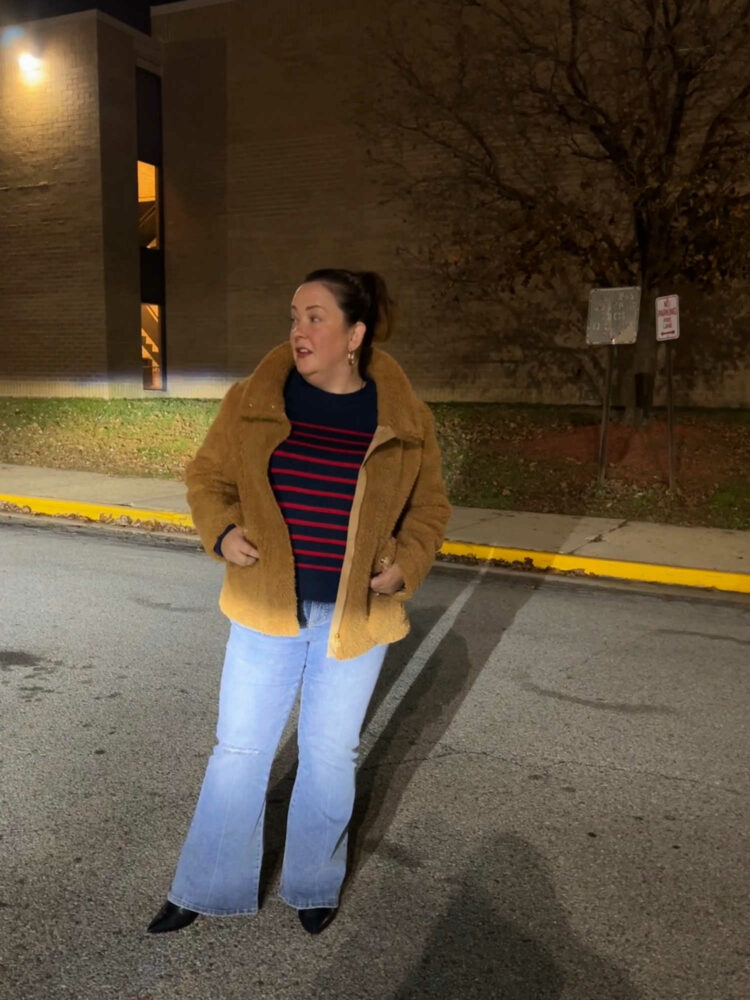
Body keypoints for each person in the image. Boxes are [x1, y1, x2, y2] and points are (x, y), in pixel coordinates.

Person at [147, 269, 450, 936]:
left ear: (355, 334)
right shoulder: (254, 400)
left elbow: (429, 508)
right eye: (294, 315)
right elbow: (207, 475)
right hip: (266, 609)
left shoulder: (403, 418)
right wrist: (222, 532)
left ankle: (313, 882)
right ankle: (206, 885)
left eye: (315, 316)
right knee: (239, 750)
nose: (298, 329)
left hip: (354, 617)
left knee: (330, 754)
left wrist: (406, 566)